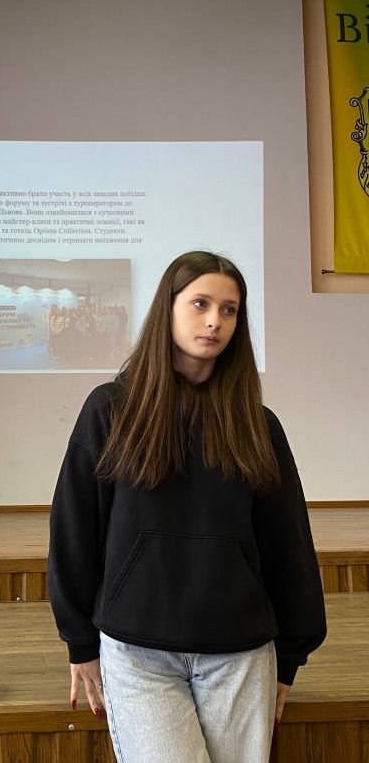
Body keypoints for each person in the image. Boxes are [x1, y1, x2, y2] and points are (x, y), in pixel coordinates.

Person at [47, 251, 326, 763]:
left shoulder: (258, 426)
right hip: (138, 654)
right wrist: (80, 644)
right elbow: (74, 530)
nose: (215, 320)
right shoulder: (110, 410)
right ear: (168, 309)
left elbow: (289, 545)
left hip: (241, 656)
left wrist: (289, 659)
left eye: (229, 309)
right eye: (200, 304)